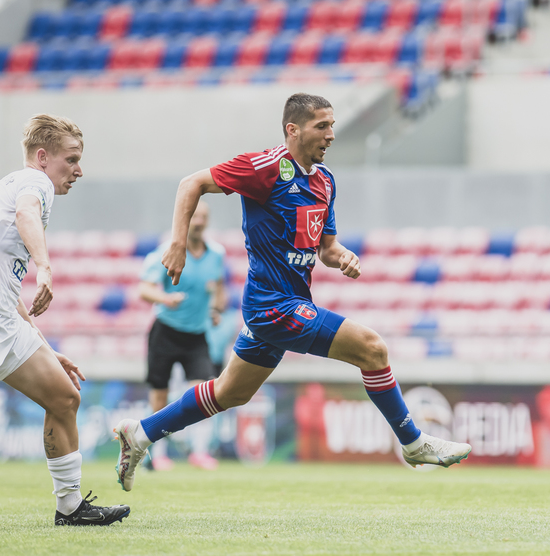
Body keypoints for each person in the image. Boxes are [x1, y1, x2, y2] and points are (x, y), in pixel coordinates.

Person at [113, 93, 471, 492]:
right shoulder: (264, 167)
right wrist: (178, 243)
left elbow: (326, 247)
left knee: (230, 392)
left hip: (291, 303)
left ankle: (140, 433)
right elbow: (191, 183)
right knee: (372, 349)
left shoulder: (324, 181)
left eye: (332, 125)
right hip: (272, 306)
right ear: (293, 130)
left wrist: (342, 256)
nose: (331, 135)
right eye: (322, 126)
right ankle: (414, 443)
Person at [0, 115, 130, 525]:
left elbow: (0, 277)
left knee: (64, 398)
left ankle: (70, 508)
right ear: (42, 157)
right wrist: (46, 267)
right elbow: (26, 213)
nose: (78, 170)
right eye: (71, 159)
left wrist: (44, 347)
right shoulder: (35, 184)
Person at [138, 200, 226, 471]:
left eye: (203, 217)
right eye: (194, 216)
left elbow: (219, 288)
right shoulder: (167, 251)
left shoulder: (216, 254)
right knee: (160, 395)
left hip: (197, 335)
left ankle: (199, 452)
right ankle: (158, 454)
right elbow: (144, 290)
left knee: (202, 392)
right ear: (186, 219)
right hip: (165, 331)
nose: (199, 222)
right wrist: (166, 298)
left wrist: (216, 309)